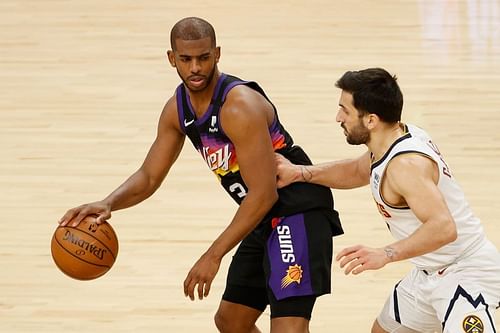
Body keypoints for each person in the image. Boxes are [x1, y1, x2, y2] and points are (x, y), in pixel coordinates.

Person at [58, 17, 343, 333]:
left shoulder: (238, 107)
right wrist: (109, 202)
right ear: (172, 59)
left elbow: (264, 194)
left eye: (203, 57)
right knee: (231, 322)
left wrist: (212, 256)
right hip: (262, 215)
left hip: (296, 212)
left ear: (217, 53)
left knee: (288, 328)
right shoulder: (177, 110)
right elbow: (150, 176)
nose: (195, 67)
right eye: (186, 59)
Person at [275, 67, 500, 332]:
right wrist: (301, 173)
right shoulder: (396, 137)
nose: (338, 117)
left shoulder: (406, 166)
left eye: (345, 110)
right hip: (428, 271)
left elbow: (443, 227)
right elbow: (359, 170)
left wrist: (385, 254)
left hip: (464, 272)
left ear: (371, 120)